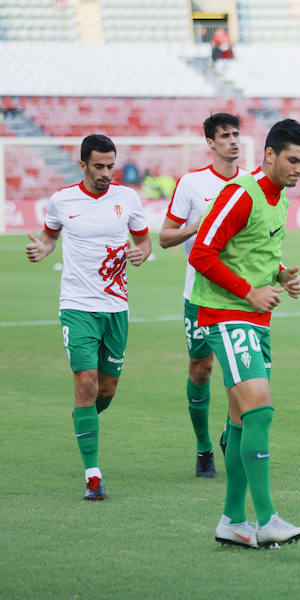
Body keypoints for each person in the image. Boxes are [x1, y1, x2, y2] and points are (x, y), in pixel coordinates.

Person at [189, 119, 300, 549]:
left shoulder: (278, 200)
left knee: (242, 420)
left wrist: (281, 275)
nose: (299, 169)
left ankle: (233, 521)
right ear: (270, 155)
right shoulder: (242, 193)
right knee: (260, 408)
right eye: (292, 160)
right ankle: (268, 518)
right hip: (226, 313)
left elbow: (255, 253)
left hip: (255, 318)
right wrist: (248, 292)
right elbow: (202, 252)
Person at [25, 134, 151, 501]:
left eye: (111, 166)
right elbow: (49, 237)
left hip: (116, 308)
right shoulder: (62, 200)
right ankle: (93, 476)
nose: (106, 173)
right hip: (77, 306)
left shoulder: (127, 199)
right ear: (83, 165)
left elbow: (143, 241)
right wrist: (42, 249)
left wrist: (141, 253)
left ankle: (86, 420)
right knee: (86, 385)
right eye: (99, 166)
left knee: (105, 391)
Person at [158, 113, 247, 477]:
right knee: (201, 369)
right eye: (224, 135)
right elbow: (164, 237)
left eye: (236, 134)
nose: (233, 140)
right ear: (210, 143)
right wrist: (195, 227)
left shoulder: (250, 183)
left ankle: (231, 433)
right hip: (199, 293)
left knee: (239, 373)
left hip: (240, 294)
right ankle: (202, 447)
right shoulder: (192, 184)